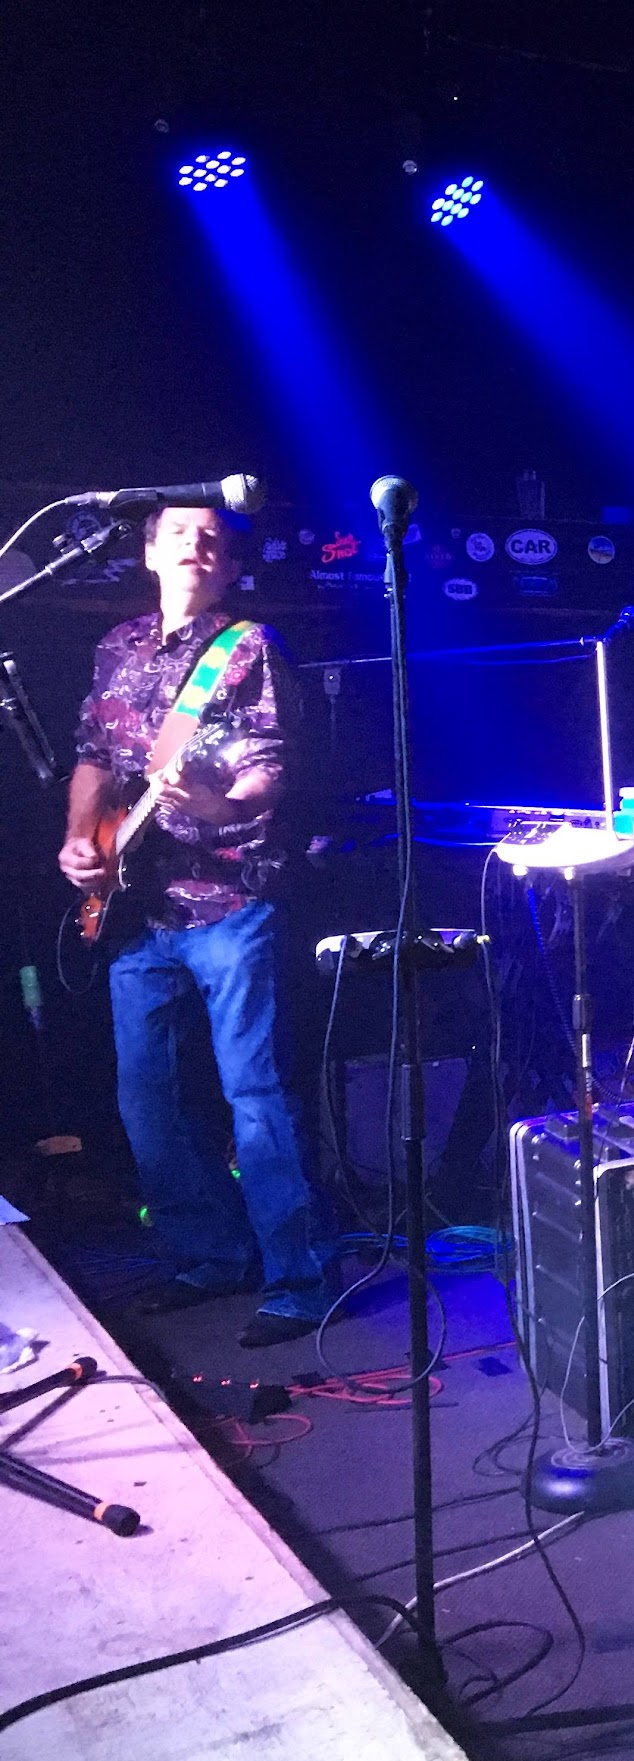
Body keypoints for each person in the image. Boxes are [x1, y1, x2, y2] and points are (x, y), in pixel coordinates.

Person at [58, 504, 337, 1350]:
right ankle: (212, 1255)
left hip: (230, 904)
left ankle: (299, 1280)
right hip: (137, 907)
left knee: (256, 1094)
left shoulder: (248, 648)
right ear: (148, 552)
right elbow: (94, 756)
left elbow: (267, 767)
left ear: (232, 566)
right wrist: (81, 839)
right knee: (147, 1098)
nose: (196, 542)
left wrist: (217, 804)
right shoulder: (117, 646)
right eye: (179, 531)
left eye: (213, 535)